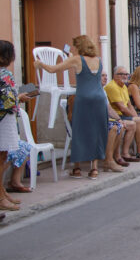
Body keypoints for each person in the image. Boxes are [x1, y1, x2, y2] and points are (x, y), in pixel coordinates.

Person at [34, 35, 108, 179]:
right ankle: (94, 169)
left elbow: (54, 69)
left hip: (84, 98)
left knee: (80, 132)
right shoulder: (98, 60)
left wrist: (40, 64)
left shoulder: (76, 59)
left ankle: (78, 168)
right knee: (97, 132)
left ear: (79, 47)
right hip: (99, 98)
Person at [0, 41, 35, 210]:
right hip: (4, 120)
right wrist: (19, 98)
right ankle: (1, 198)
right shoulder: (5, 74)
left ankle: (3, 193)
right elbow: (7, 101)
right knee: (1, 158)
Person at [105, 66, 140, 161]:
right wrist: (135, 117)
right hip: (118, 115)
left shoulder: (123, 86)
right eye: (122, 74)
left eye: (126, 74)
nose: (125, 76)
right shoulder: (112, 87)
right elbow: (122, 108)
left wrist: (135, 116)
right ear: (115, 75)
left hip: (125, 114)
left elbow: (129, 105)